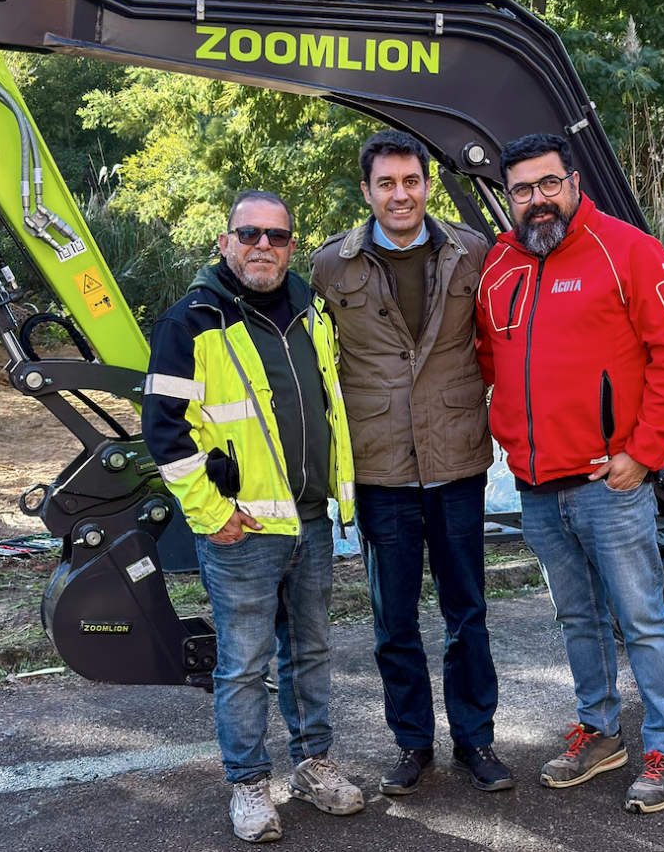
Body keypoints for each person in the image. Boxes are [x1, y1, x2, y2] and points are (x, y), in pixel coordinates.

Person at [474, 132, 664, 813]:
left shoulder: (627, 249)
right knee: (578, 618)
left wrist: (645, 450)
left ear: (573, 182)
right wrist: (514, 437)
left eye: (548, 185)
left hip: (612, 484)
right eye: (522, 190)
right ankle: (601, 733)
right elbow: (493, 362)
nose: (537, 200)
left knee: (640, 618)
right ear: (508, 198)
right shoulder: (499, 265)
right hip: (538, 488)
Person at [142, 190, 364, 844]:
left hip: (312, 520)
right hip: (241, 531)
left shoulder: (312, 310)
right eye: (249, 234)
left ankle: (314, 765)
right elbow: (164, 432)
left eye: (277, 235)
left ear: (292, 244)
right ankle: (249, 786)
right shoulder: (191, 321)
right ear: (225, 242)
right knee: (243, 664)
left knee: (312, 651)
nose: (263, 245)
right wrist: (212, 515)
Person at [311, 130, 513, 796]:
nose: (402, 195)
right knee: (393, 620)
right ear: (366, 191)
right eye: (387, 184)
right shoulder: (329, 268)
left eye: (412, 181)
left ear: (426, 185)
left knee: (467, 613)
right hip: (380, 469)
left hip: (456, 460)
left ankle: (476, 742)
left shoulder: (473, 252)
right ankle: (412, 744)